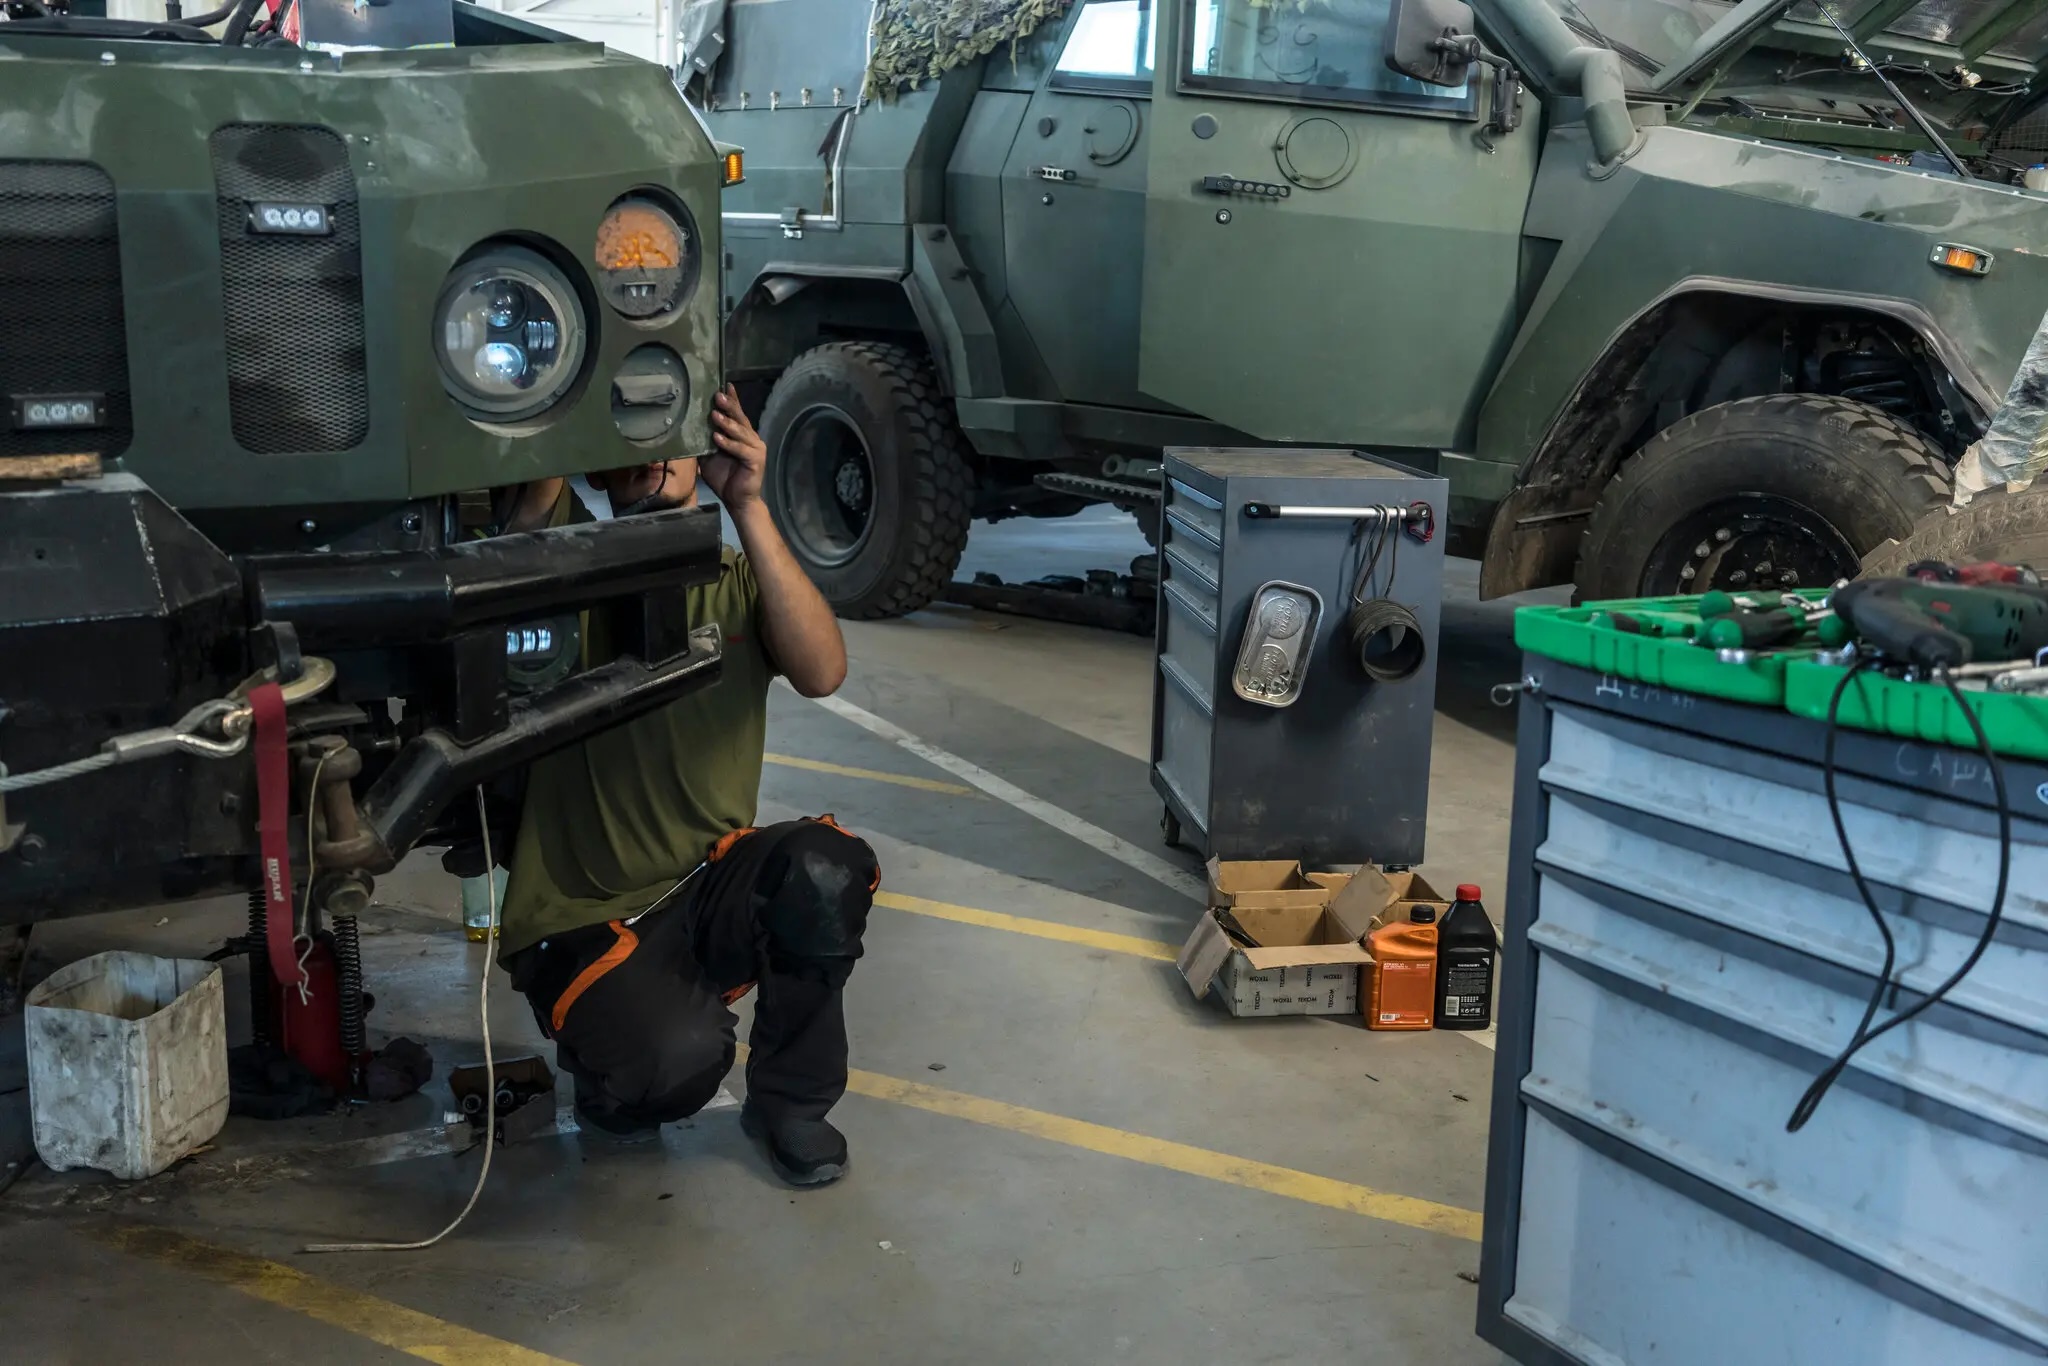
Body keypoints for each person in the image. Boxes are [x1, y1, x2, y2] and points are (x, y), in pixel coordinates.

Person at [492, 385, 876, 1188]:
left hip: (705, 887)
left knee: (823, 869)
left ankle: (791, 1106)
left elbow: (822, 671)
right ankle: (612, 1067)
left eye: (672, 435)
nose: (655, 457)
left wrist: (749, 504)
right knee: (669, 1067)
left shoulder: (733, 580)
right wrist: (563, 429)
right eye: (631, 441)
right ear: (598, 465)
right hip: (580, 915)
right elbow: (520, 536)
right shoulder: (560, 567)